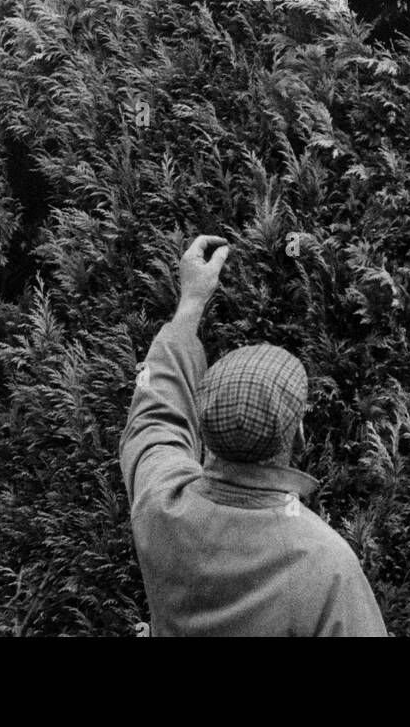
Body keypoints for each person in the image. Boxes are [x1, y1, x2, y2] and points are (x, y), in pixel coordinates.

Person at [119, 233, 388, 637]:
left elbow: (154, 420)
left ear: (203, 428)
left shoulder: (161, 502)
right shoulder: (323, 561)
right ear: (297, 434)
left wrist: (190, 302)